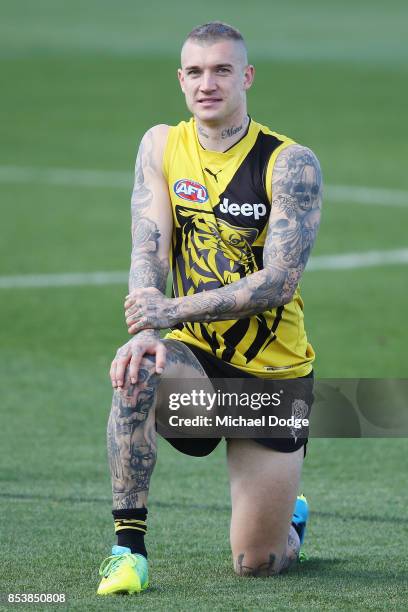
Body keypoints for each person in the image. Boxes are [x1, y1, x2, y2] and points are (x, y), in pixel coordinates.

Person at [97, 21, 322, 595]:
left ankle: (288, 519)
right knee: (136, 368)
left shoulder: (290, 163)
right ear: (181, 79)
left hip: (272, 379)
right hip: (194, 362)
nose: (208, 84)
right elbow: (147, 249)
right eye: (195, 72)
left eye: (222, 70)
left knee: (257, 564)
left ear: (245, 76)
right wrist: (147, 327)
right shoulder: (160, 146)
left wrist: (171, 310)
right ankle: (128, 549)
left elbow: (277, 282)